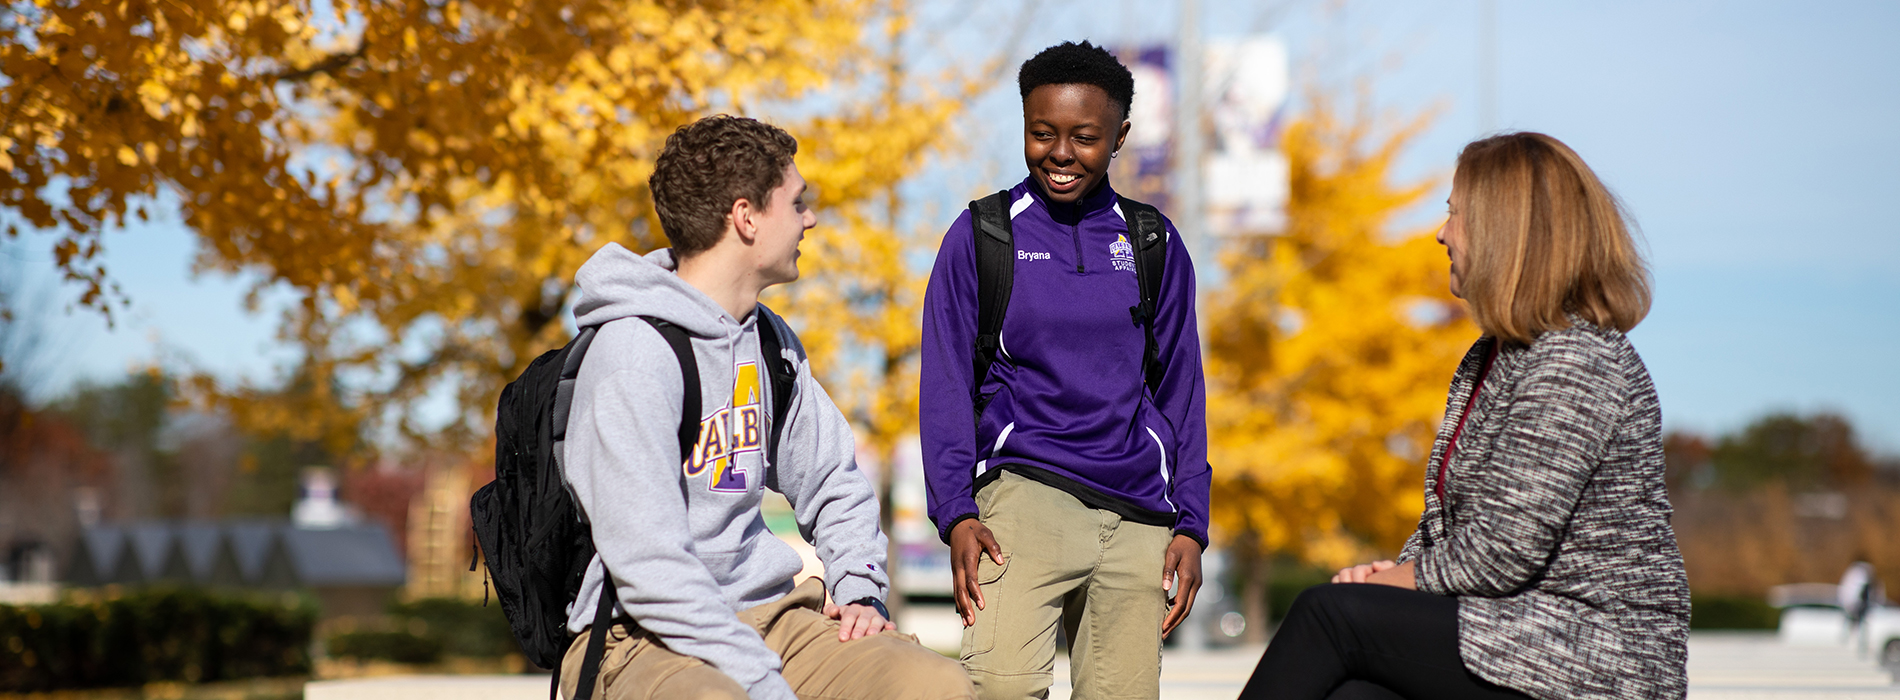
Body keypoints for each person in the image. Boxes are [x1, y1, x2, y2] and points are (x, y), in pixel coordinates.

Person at [1238, 132, 1690, 700]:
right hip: (1513, 633)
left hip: (1591, 654)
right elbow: (1450, 528)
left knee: (1329, 615)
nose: (1441, 232)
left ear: (1506, 232)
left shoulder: (1574, 360)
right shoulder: (1496, 355)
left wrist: (1393, 586)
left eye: (1456, 214)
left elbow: (1502, 550)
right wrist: (1392, 576)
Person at [560, 115, 975, 700]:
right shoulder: (635, 352)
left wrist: (859, 587)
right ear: (746, 217)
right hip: (641, 633)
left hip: (771, 617)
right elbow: (648, 563)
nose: (809, 218)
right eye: (797, 201)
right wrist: (763, 684)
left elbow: (832, 478)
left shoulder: (770, 342)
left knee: (933, 685)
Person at [920, 41, 1211, 700]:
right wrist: (956, 513)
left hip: (1137, 517)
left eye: (1084, 137)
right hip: (1022, 503)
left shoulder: (1152, 242)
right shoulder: (983, 237)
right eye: (1041, 132)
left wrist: (1191, 523)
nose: (1060, 153)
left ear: (1119, 138)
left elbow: (1181, 392)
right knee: (997, 691)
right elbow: (944, 386)